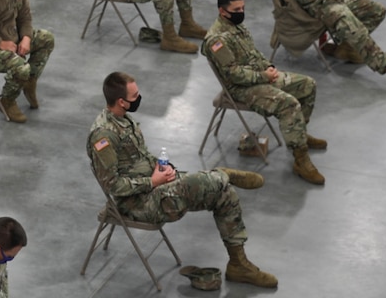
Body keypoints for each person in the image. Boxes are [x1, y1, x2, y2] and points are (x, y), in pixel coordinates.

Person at [87, 71, 276, 288]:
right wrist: (153, 182)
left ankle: (238, 265)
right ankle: (222, 174)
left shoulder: (124, 120)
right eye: (135, 95)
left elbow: (140, 157)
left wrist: (160, 167)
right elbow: (112, 185)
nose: (139, 98)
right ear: (121, 101)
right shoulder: (103, 136)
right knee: (205, 183)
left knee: (224, 193)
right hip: (137, 203)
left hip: (154, 185)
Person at [201, 0, 326, 186]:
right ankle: (301, 160)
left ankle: (299, 133)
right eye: (236, 9)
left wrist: (268, 67)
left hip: (259, 77)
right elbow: (233, 74)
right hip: (240, 89)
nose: (241, 12)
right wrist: (262, 76)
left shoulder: (236, 27)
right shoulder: (217, 40)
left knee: (307, 85)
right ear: (222, 11)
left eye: (243, 7)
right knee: (289, 104)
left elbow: (253, 53)